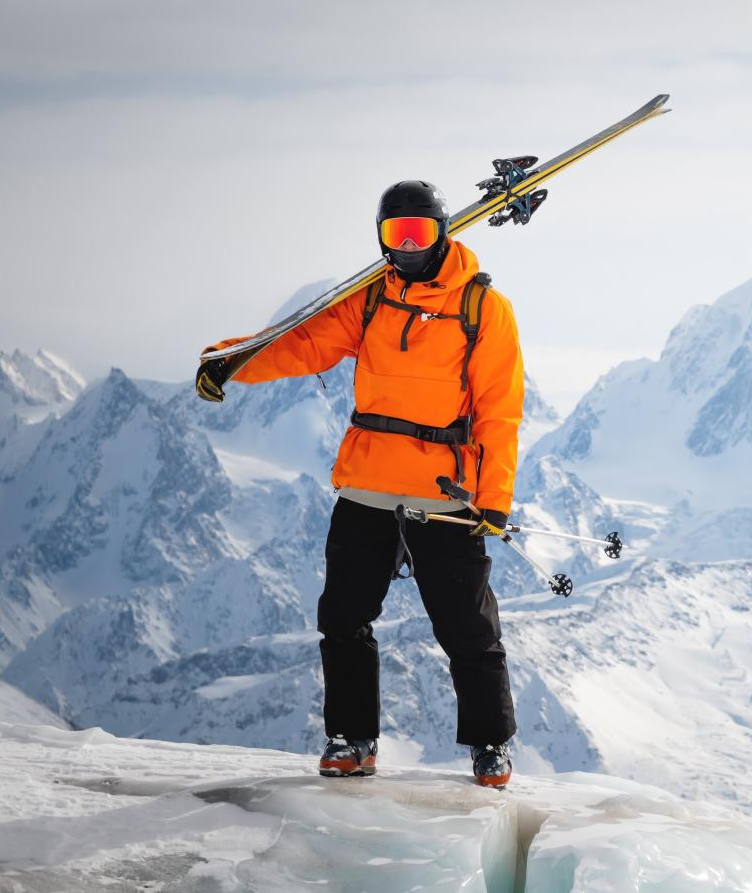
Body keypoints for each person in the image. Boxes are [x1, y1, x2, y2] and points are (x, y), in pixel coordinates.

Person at [199, 180, 524, 787]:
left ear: (441, 232)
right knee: (343, 617)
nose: (405, 247)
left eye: (417, 234)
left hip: (442, 490)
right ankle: (352, 739)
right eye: (394, 235)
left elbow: (500, 412)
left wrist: (494, 499)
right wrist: (232, 359)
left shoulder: (483, 309)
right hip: (368, 483)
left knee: (468, 627)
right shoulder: (368, 300)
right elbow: (303, 346)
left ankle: (490, 745)